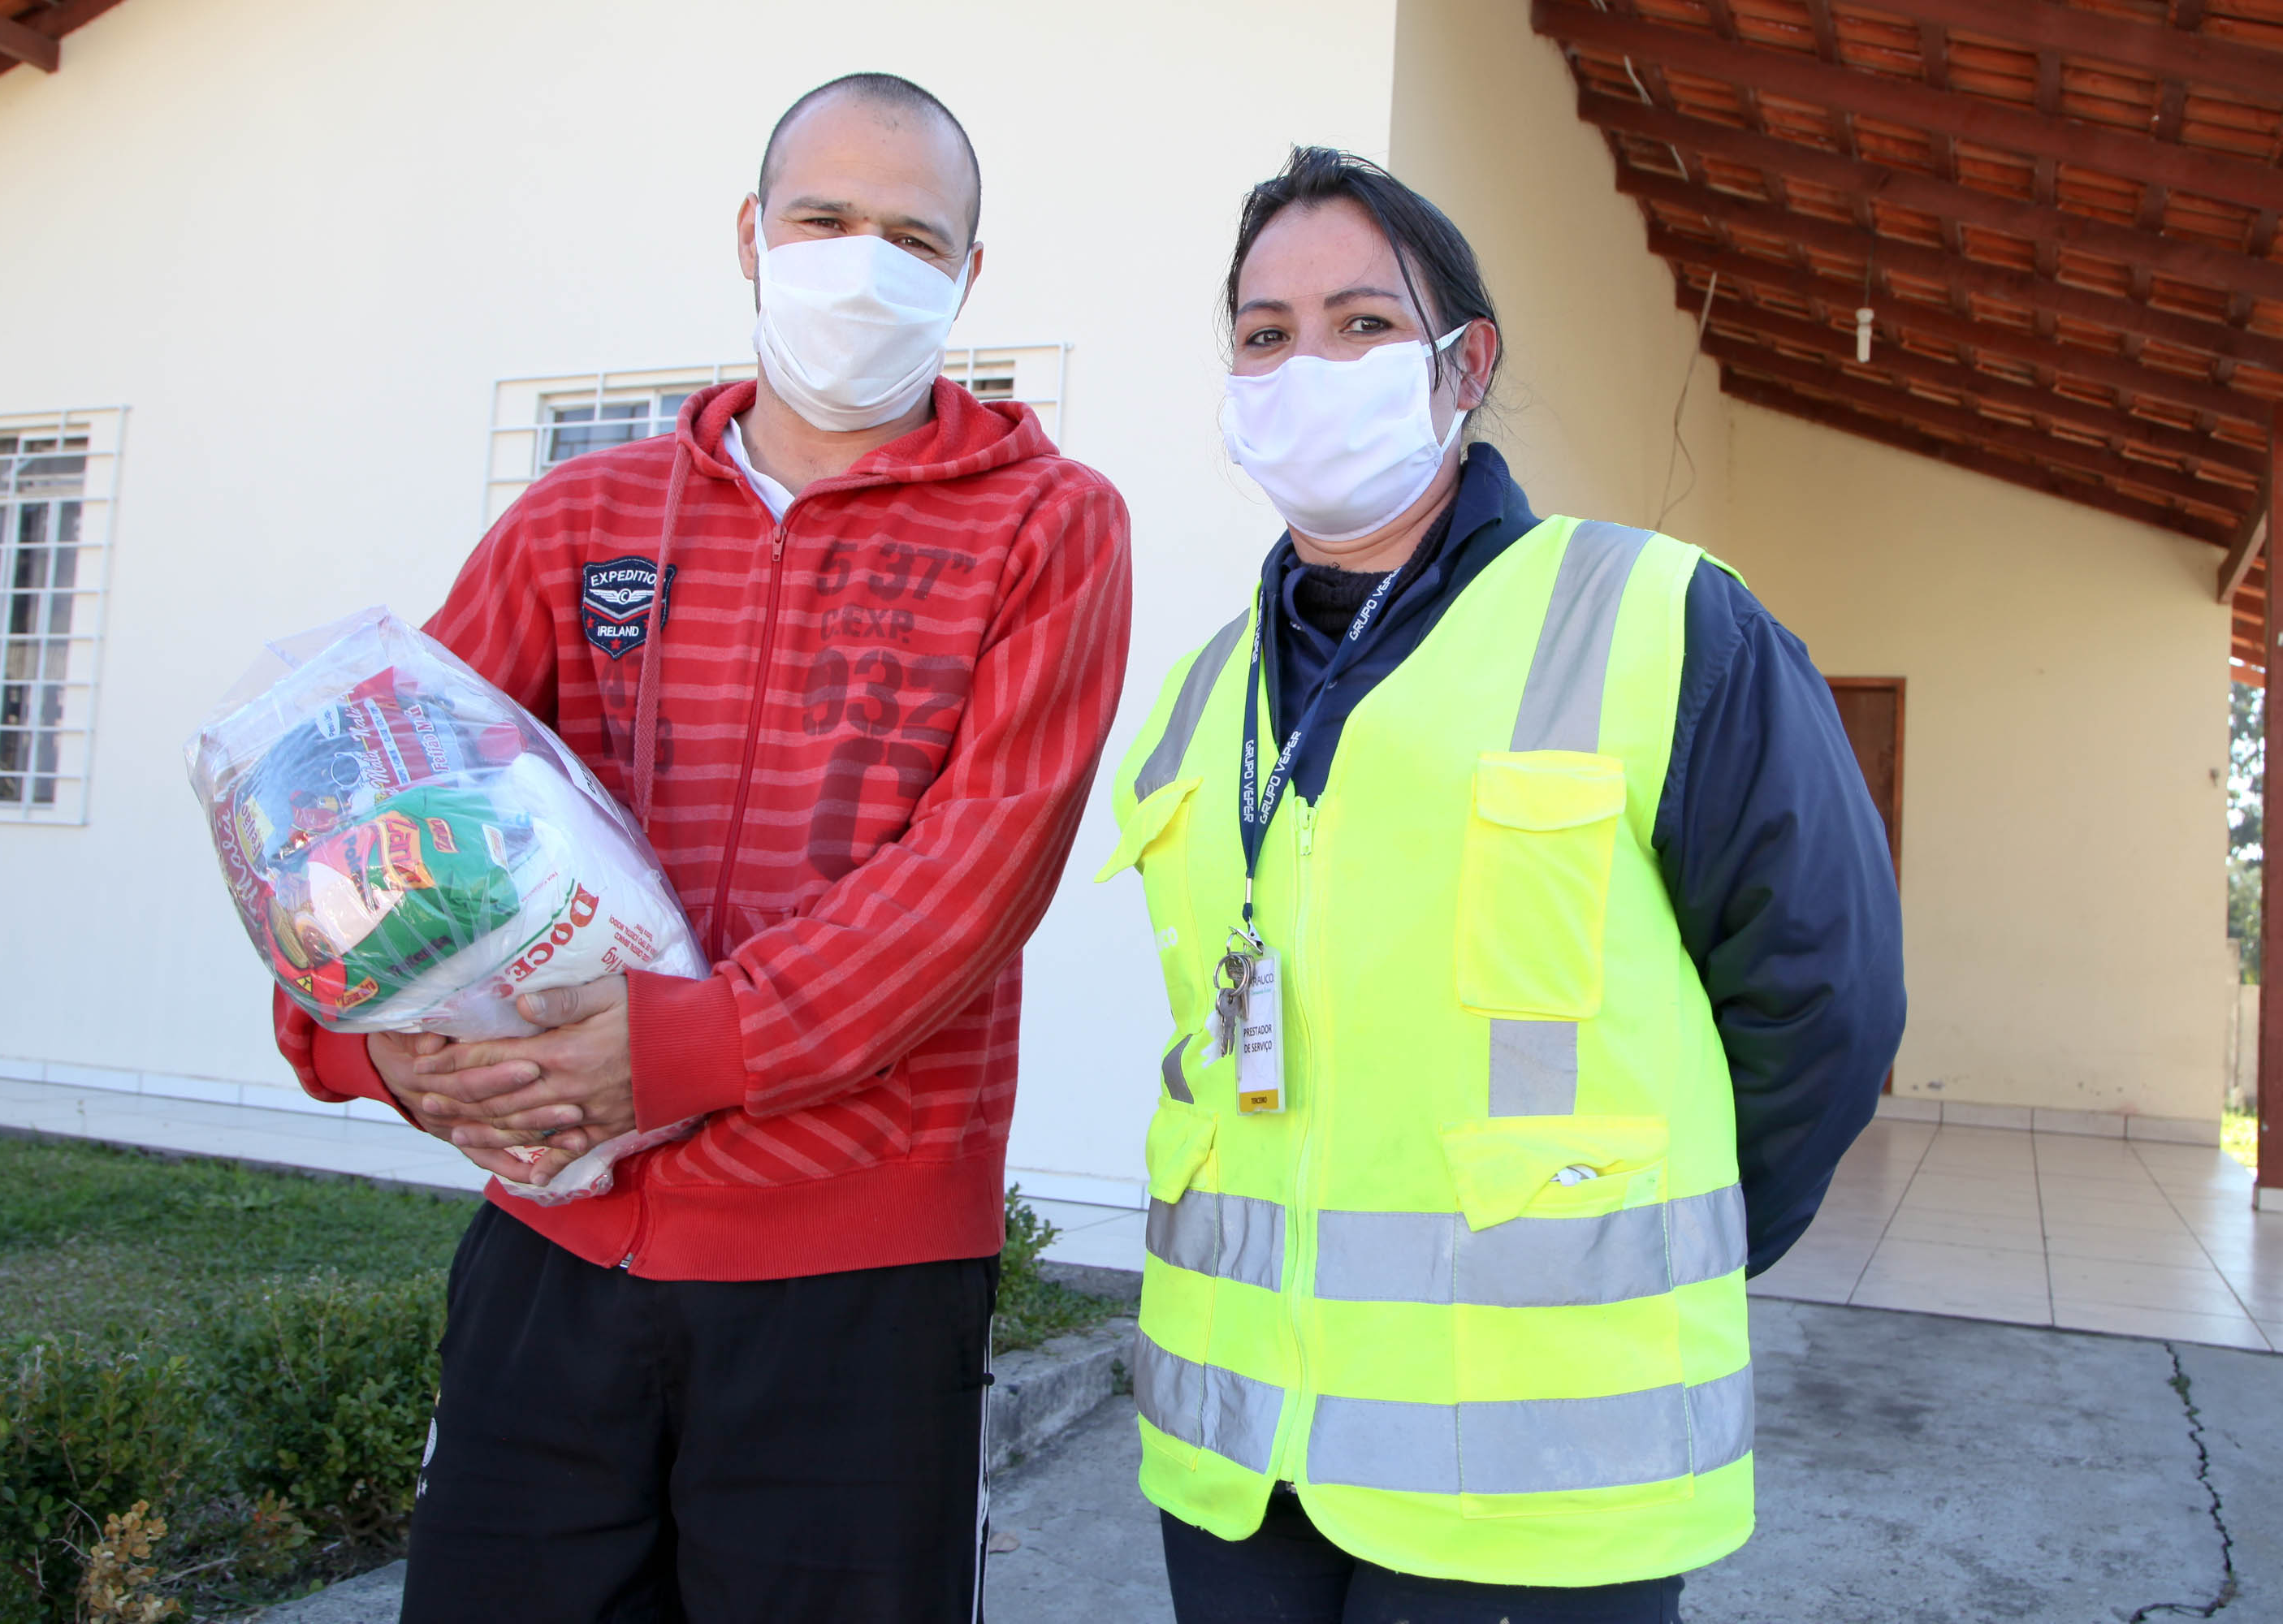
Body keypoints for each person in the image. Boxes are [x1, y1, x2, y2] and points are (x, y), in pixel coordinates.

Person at [272, 72, 1132, 1623]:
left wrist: (677, 1047)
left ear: (968, 278)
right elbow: (383, 813)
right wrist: (371, 1053)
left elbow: (976, 875)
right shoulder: (573, 519)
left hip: (855, 1278)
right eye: (823, 218)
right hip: (553, 1242)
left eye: (911, 236)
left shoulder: (1050, 527)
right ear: (751, 234)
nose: (862, 263)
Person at [1096, 148, 1904, 1624]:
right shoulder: (1203, 696)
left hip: (1539, 1480)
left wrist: (1662, 1238)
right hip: (1234, 1467)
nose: (1303, 365)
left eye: (1358, 324)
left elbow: (1825, 1007)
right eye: (1265, 334)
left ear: (1464, 365)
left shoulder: (1662, 620)